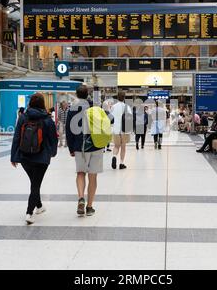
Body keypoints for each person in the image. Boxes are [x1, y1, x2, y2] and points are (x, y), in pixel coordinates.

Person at [11, 93, 58, 225]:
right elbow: (53, 138)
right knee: (35, 184)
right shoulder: (48, 119)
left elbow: (16, 137)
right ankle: (29, 213)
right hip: (42, 157)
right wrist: (52, 153)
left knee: (34, 182)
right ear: (43, 104)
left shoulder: (23, 117)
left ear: (30, 103)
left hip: (25, 156)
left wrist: (13, 156)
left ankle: (39, 206)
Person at [66, 85, 103, 217]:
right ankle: (89, 206)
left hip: (79, 146)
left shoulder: (72, 108)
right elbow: (110, 120)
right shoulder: (96, 106)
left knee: (81, 173)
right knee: (93, 176)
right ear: (88, 94)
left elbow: (68, 129)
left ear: (76, 95)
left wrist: (71, 147)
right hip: (96, 145)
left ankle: (81, 197)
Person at [110, 91, 132, 170]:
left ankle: (114, 156)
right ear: (124, 98)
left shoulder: (113, 107)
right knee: (123, 146)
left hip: (115, 129)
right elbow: (130, 118)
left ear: (117, 97)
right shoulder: (127, 107)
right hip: (124, 130)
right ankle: (121, 163)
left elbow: (111, 118)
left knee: (116, 146)